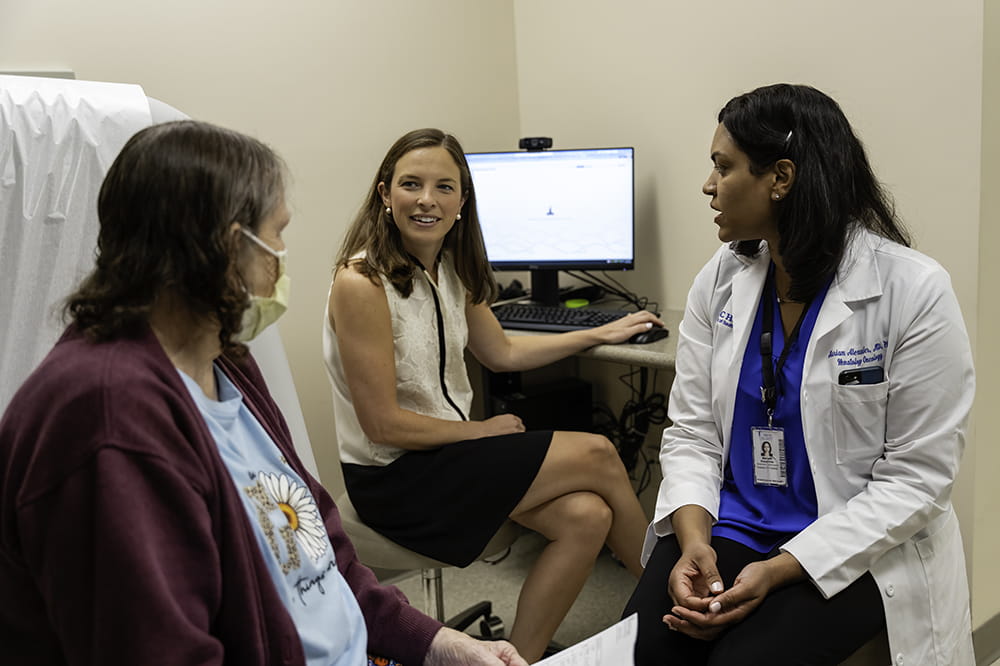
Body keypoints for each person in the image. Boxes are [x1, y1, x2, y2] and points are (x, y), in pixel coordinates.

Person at [0, 120, 527, 666]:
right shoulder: (108, 422)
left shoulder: (225, 360)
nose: (280, 256)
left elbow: (317, 542)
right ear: (222, 248)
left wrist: (435, 642)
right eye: (275, 234)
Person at [623, 84, 975, 665]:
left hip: (848, 544)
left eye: (723, 166)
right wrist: (691, 541)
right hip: (727, 526)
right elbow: (691, 432)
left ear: (780, 178)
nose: (708, 186)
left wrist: (781, 569)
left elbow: (918, 480)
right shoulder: (722, 276)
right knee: (639, 653)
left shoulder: (912, 289)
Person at [324, 128, 663, 662]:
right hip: (396, 476)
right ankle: (679, 610)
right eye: (411, 184)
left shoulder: (453, 268)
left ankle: (514, 659)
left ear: (463, 201)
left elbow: (501, 352)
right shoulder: (361, 282)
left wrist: (599, 331)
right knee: (598, 453)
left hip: (451, 455)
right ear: (386, 194)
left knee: (588, 517)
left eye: (444, 186)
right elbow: (383, 426)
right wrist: (479, 431)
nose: (427, 200)